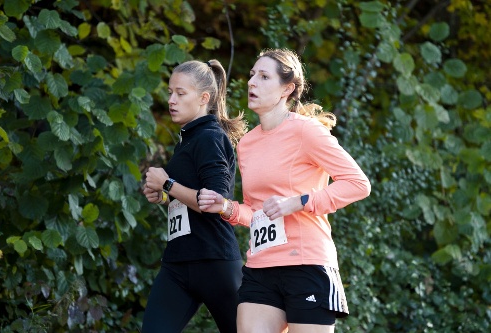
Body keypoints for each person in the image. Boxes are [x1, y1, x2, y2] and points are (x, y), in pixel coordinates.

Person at [198, 48, 371, 333]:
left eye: (264, 77)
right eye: (252, 75)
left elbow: (357, 184)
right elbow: (257, 211)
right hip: (261, 266)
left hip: (307, 263)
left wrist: (300, 202)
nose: (252, 82)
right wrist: (227, 207)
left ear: (286, 89)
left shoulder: (307, 132)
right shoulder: (247, 144)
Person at [141, 59, 247, 333]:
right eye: (170, 93)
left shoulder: (210, 137)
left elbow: (215, 200)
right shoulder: (188, 139)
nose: (171, 100)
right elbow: (187, 195)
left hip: (215, 262)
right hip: (177, 264)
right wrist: (164, 197)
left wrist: (167, 184)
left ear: (203, 98)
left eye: (180, 93)